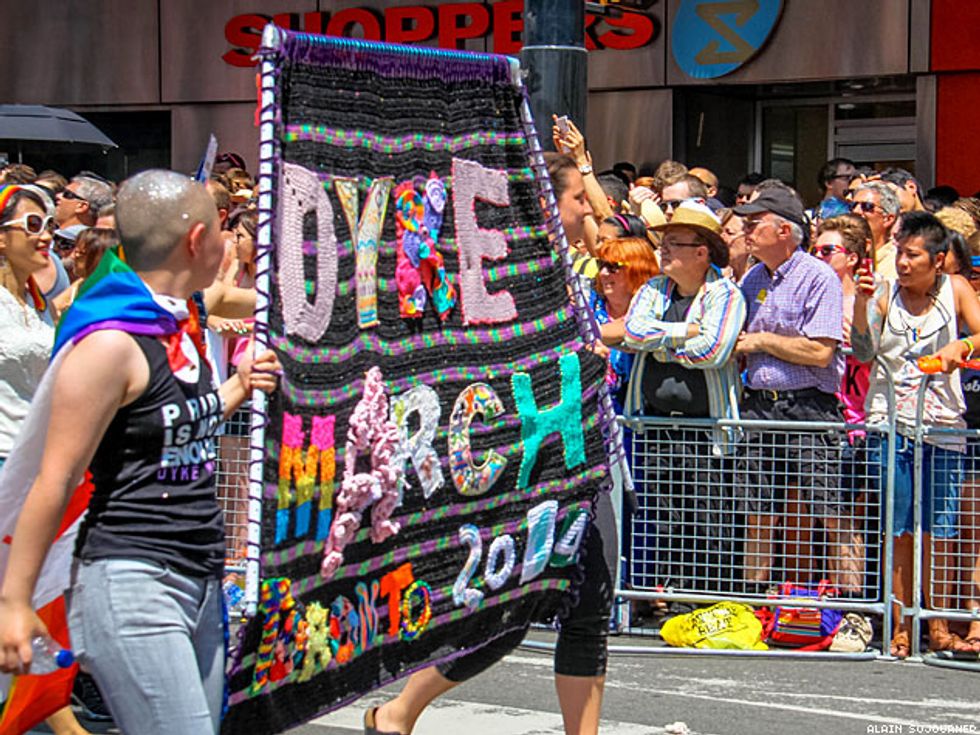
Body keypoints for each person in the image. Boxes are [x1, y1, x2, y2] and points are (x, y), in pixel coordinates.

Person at [0, 170, 281, 734]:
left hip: (199, 574)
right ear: (197, 240)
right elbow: (56, 479)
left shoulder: (176, 324)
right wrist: (14, 601)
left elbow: (180, 424)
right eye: (222, 230)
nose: (231, 242)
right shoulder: (109, 343)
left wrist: (238, 385)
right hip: (132, 580)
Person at [365, 156, 614, 735]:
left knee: (590, 603)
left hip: (579, 459)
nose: (587, 209)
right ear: (546, 203)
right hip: (516, 466)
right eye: (578, 198)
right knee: (505, 612)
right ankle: (399, 711)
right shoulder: (503, 274)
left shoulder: (570, 272)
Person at [852, 211, 980, 657]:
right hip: (890, 422)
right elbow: (863, 352)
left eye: (913, 255)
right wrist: (861, 305)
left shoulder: (956, 289)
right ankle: (901, 625)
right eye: (900, 254)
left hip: (942, 424)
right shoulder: (884, 293)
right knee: (899, 528)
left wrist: (961, 345)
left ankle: (938, 624)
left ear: (938, 260)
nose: (903, 263)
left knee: (939, 529)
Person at [604, 201, 746, 597]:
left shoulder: (725, 295)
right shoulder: (653, 290)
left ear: (701, 252)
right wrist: (685, 332)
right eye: (663, 243)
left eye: (673, 244)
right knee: (664, 517)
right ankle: (672, 595)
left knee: (708, 518)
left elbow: (713, 351)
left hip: (708, 431)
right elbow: (633, 333)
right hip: (655, 424)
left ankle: (708, 596)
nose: (662, 250)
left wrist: (661, 345)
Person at [0, 185, 92, 735]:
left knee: (33, 590)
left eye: (49, 226)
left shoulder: (38, 299)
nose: (45, 236)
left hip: (33, 464)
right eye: (32, 225)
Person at [733, 183, 847, 590]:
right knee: (757, 512)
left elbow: (821, 351)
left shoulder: (819, 277)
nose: (746, 230)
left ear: (784, 230)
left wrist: (762, 341)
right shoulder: (751, 279)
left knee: (831, 511)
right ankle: (754, 602)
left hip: (809, 407)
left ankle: (853, 605)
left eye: (755, 223)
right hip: (759, 406)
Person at [812, 214, 875, 592]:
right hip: (819, 415)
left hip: (857, 421)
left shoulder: (867, 301)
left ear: (852, 257)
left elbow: (872, 355)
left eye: (827, 250)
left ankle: (853, 602)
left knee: (845, 517)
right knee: (819, 515)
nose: (818, 256)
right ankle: (813, 601)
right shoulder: (814, 297)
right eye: (815, 250)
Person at [851, 181, 900, 280]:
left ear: (888, 219)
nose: (856, 211)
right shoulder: (844, 257)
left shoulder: (897, 263)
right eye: (853, 205)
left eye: (867, 206)